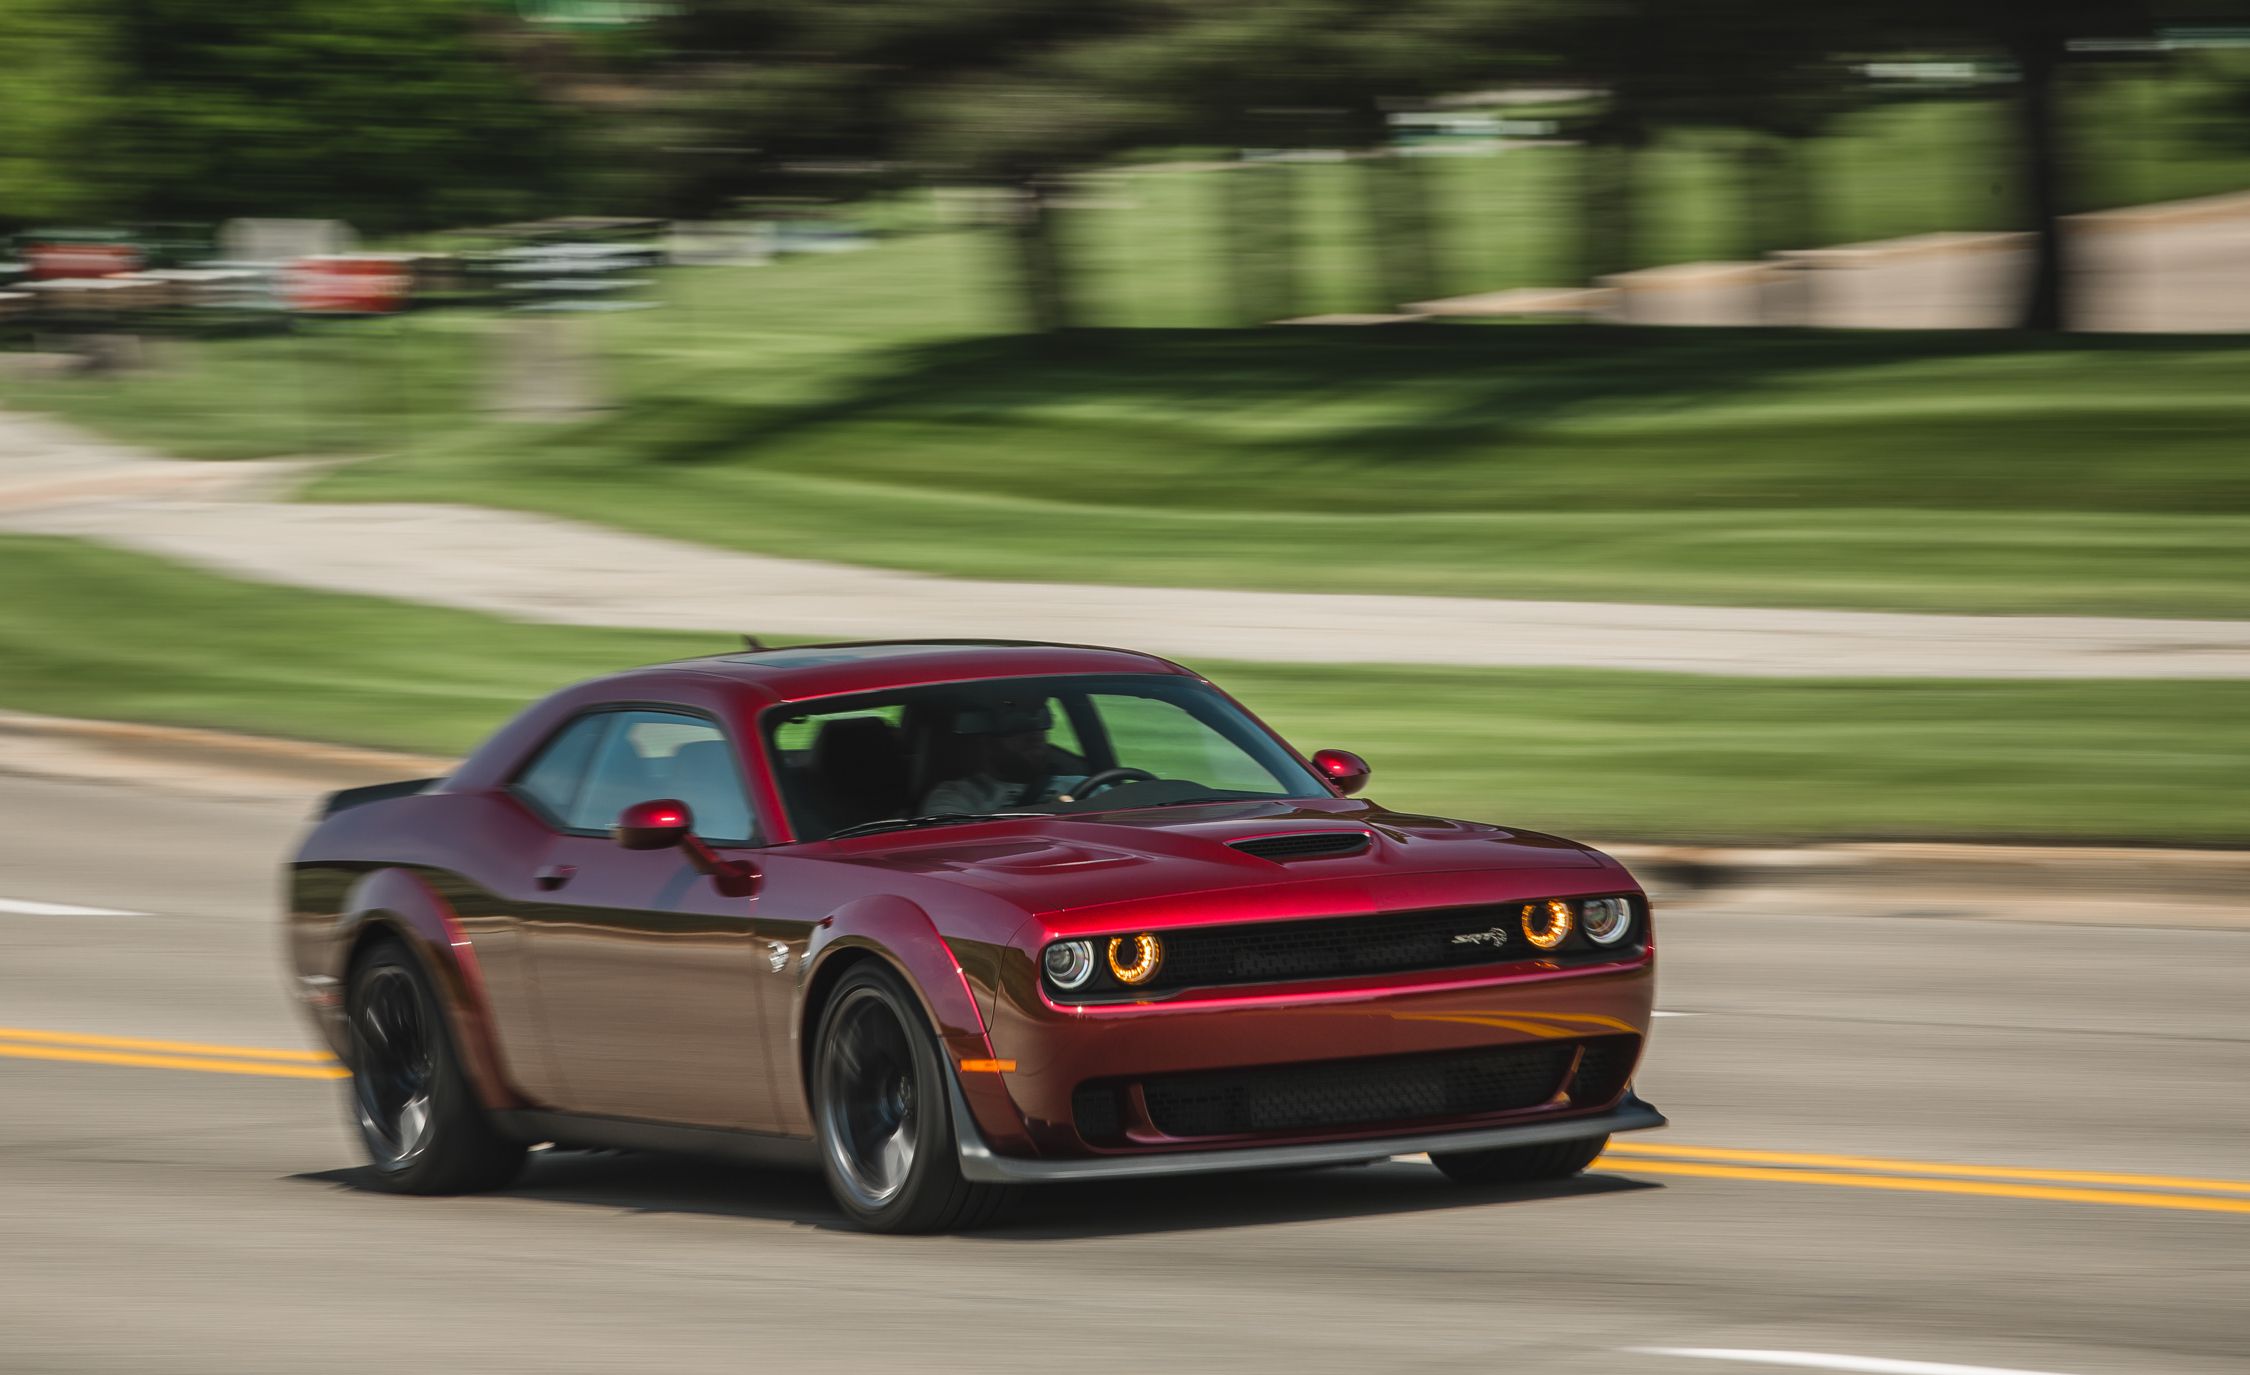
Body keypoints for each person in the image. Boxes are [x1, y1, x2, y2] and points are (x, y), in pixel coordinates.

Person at [920, 699, 1059, 814]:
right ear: (986, 741)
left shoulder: (1078, 784)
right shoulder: (955, 796)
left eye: (1041, 719)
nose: (1035, 734)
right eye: (1015, 725)